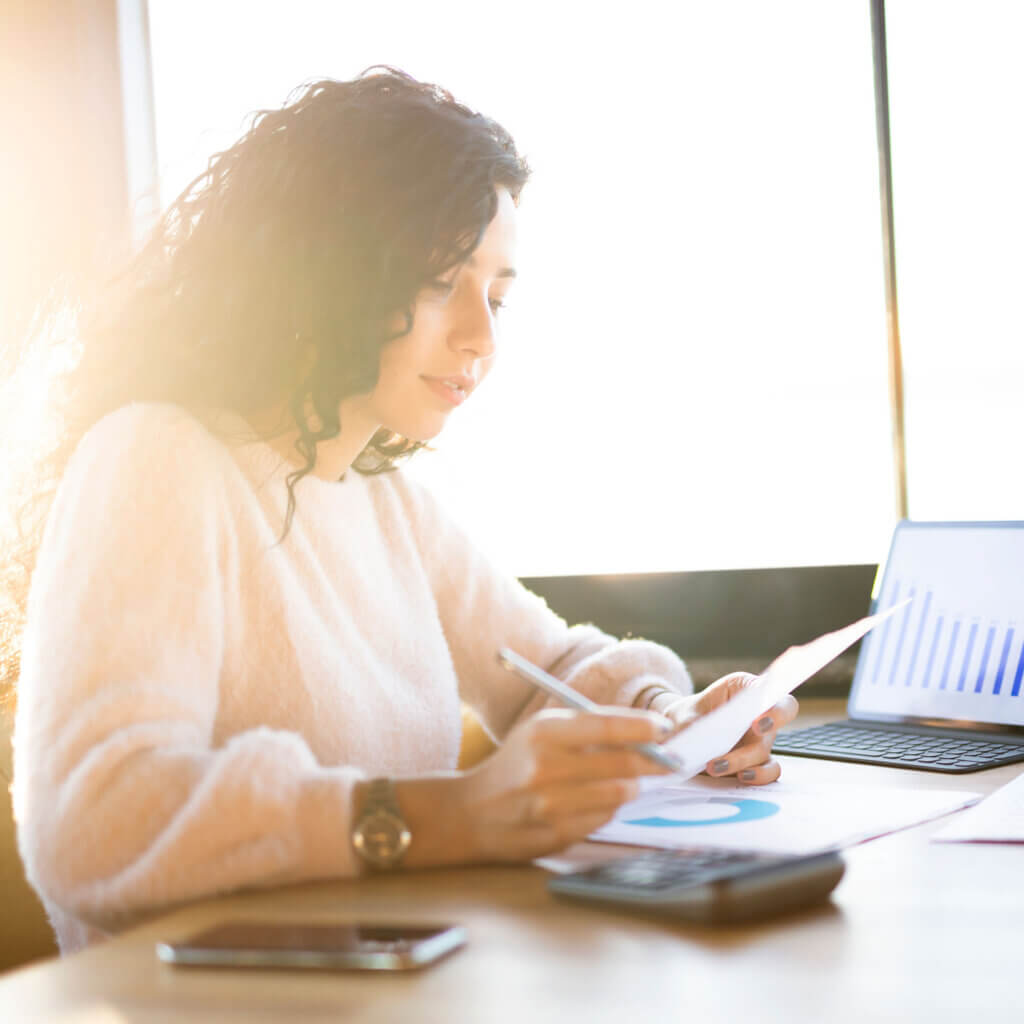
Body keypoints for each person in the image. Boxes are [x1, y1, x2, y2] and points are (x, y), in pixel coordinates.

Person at [5, 68, 797, 954]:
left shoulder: (386, 502)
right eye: (438, 282)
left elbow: (553, 669)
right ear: (325, 272)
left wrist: (674, 722)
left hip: (383, 988)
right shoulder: (154, 456)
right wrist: (451, 816)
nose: (482, 338)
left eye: (497, 297)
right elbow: (91, 820)